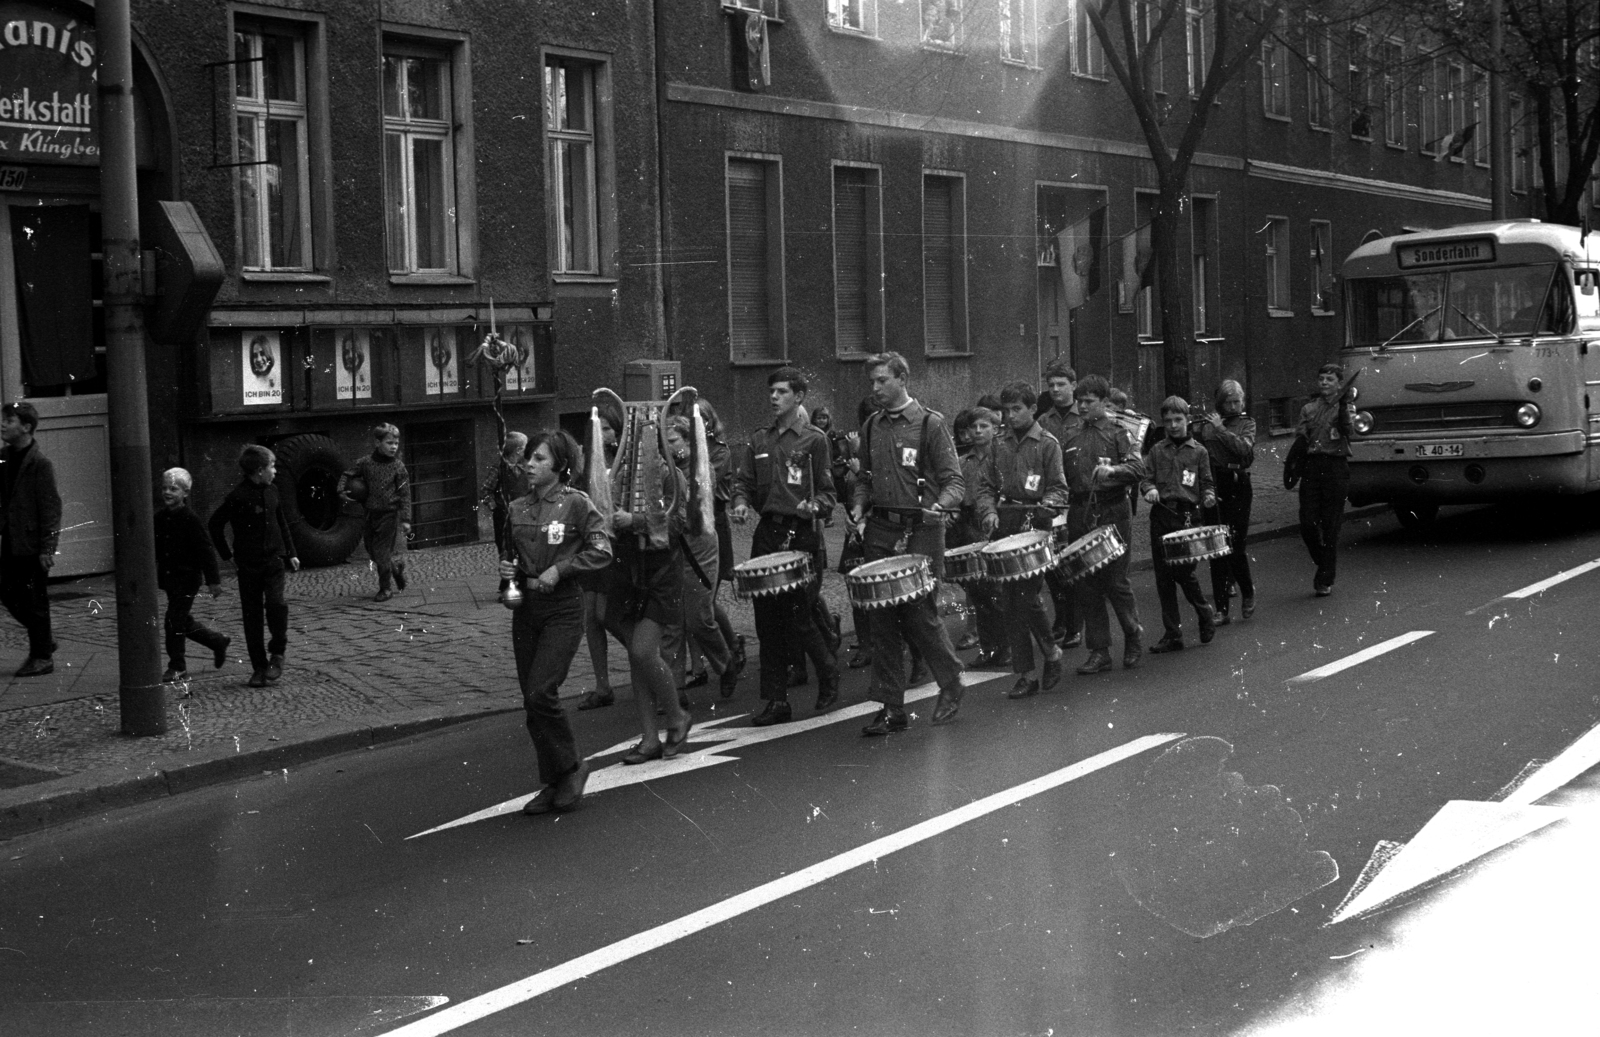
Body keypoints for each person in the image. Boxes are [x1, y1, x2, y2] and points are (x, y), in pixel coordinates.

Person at [849, 351, 967, 733]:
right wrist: (858, 505)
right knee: (880, 617)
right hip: (882, 530)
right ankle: (890, 707)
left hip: (921, 528)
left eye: (882, 380)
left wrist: (941, 505)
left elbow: (955, 482)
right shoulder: (871, 426)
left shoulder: (930, 424)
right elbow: (864, 478)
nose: (876, 388)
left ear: (903, 379)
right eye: (873, 382)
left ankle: (951, 683)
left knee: (920, 613)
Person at [496, 429, 609, 815]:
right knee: (532, 700)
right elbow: (511, 558)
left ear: (560, 466)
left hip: (562, 606)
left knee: (541, 691)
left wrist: (562, 569)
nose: (530, 464)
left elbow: (601, 550)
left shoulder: (576, 504)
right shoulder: (515, 508)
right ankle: (554, 780)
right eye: (528, 457)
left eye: (540, 458)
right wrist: (508, 571)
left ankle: (574, 767)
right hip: (527, 607)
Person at [731, 367, 840, 724]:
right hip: (768, 533)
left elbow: (828, 492)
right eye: (771, 392)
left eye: (781, 392)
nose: (773, 397)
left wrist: (816, 507)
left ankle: (827, 674)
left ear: (799, 397)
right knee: (767, 620)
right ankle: (776, 700)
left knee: (801, 616)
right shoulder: (759, 441)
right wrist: (741, 504)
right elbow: (743, 483)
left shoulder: (814, 440)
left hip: (801, 534)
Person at [600, 418, 694, 763]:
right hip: (627, 571)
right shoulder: (619, 475)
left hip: (660, 572)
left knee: (642, 651)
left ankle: (677, 716)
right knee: (637, 658)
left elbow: (679, 522)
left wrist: (636, 521)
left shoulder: (672, 475)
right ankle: (650, 737)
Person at [977, 382, 1068, 698]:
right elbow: (986, 487)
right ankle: (1027, 674)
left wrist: (1049, 503)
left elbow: (1058, 487)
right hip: (1005, 527)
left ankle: (1052, 652)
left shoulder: (1047, 444)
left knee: (1025, 597)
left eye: (1016, 409)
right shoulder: (997, 443)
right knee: (1010, 602)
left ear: (1032, 410)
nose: (1010, 416)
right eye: (1006, 410)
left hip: (1035, 529)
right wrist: (988, 512)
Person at [1061, 375, 1145, 674]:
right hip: (1080, 512)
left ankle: (1133, 634)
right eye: (1079, 401)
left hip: (1113, 510)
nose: (1082, 406)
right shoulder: (1070, 434)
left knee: (1116, 581)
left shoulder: (1119, 431)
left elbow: (1137, 468)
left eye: (1088, 402)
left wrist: (1113, 471)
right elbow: (1062, 478)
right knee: (1086, 584)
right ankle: (1099, 651)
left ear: (1104, 402)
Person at [209, 444, 300, 687]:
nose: (275, 472)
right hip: (248, 566)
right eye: (271, 467)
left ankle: (278, 653)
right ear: (259, 470)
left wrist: (291, 552)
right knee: (252, 619)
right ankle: (259, 667)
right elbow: (215, 524)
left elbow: (282, 522)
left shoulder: (274, 491)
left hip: (273, 562)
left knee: (276, 604)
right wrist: (227, 556)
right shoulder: (238, 497)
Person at [660, 416, 738, 699]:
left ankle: (725, 662)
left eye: (673, 442)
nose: (667, 448)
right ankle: (675, 691)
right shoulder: (667, 469)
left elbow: (692, 512)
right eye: (664, 442)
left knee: (698, 618)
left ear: (688, 440)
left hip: (698, 545)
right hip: (672, 545)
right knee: (671, 622)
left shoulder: (700, 467)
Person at [1141, 397, 1218, 653]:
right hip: (1162, 516)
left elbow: (1207, 483)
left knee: (1183, 572)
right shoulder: (1156, 450)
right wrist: (1150, 489)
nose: (1173, 425)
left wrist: (1207, 496)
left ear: (1187, 420)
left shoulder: (1199, 452)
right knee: (1164, 578)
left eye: (1178, 420)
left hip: (1188, 518)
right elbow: (1146, 479)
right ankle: (1172, 633)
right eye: (1168, 421)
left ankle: (1204, 611)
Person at [0, 402, 61, 677]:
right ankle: (44, 639)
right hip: (9, 542)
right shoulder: (3, 458)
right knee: (8, 593)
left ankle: (42, 656)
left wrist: (47, 548)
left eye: (9, 420)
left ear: (25, 427)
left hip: (31, 545)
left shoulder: (40, 464)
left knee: (34, 601)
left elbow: (50, 508)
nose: (3, 425)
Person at [1285, 362, 1356, 596]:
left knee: (1331, 524)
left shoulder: (1346, 407)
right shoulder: (1309, 409)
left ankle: (1325, 577)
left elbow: (1348, 431)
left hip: (1335, 467)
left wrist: (1344, 406)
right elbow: (1300, 439)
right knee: (1307, 522)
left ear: (1339, 384)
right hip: (1313, 468)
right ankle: (1323, 562)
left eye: (1330, 379)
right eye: (1322, 379)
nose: (1325, 383)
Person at [154, 467, 230, 683]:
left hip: (187, 580)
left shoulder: (190, 519)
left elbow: (205, 550)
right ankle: (217, 641)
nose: (167, 492)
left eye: (174, 489)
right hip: (169, 579)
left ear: (185, 493)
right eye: (164, 488)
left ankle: (177, 666)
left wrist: (213, 581)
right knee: (180, 620)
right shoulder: (160, 518)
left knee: (173, 622)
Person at [1193, 380, 1256, 623]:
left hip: (1237, 482)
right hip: (1214, 483)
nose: (1233, 406)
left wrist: (1220, 430)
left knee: (1236, 546)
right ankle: (1221, 609)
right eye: (1228, 402)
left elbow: (1243, 450)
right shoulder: (1208, 425)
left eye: (1237, 401)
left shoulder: (1247, 423)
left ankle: (1248, 592)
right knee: (1216, 547)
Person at [575, 410, 621, 710]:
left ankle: (649, 664)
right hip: (591, 544)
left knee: (607, 615)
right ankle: (602, 685)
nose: (601, 434)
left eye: (606, 428)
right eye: (596, 429)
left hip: (616, 546)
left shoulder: (623, 461)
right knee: (590, 617)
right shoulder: (586, 464)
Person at [1035, 360, 1082, 650]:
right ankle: (1062, 619)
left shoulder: (1084, 416)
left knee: (1071, 566)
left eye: (1060, 384)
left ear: (1073, 386)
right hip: (1053, 501)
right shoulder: (1043, 421)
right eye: (1050, 385)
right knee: (1052, 568)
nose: (1054, 390)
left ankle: (1074, 625)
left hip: (1077, 499)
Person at [339, 423, 412, 602]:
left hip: (389, 515)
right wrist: (341, 490)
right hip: (370, 513)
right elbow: (347, 474)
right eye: (389, 443)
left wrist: (405, 519)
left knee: (380, 552)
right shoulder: (366, 463)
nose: (394, 447)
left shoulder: (398, 467)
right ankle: (395, 568)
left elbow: (405, 494)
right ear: (377, 442)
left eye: (396, 443)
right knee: (371, 550)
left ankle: (385, 589)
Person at [482, 431, 531, 596]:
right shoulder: (499, 468)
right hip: (504, 517)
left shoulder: (525, 468)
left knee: (521, 546)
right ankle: (507, 584)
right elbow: (485, 491)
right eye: (525, 447)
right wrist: (494, 505)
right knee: (507, 548)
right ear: (518, 450)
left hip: (523, 515)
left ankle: (512, 583)